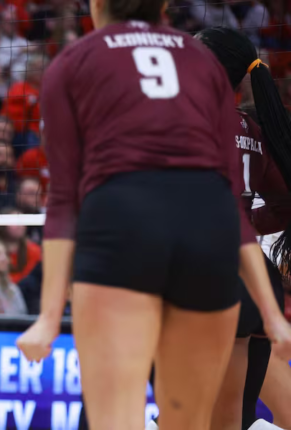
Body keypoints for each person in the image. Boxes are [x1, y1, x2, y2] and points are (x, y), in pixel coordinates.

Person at [15, 3, 291, 430]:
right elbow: (224, 204)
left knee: (118, 416)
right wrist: (272, 313)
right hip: (223, 270)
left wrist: (49, 316)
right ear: (163, 8)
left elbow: (64, 202)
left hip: (129, 262)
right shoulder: (205, 83)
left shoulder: (77, 60)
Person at [195, 27, 291, 430]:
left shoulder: (186, 121)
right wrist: (248, 221)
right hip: (257, 276)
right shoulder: (253, 128)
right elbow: (284, 204)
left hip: (207, 275)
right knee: (235, 420)